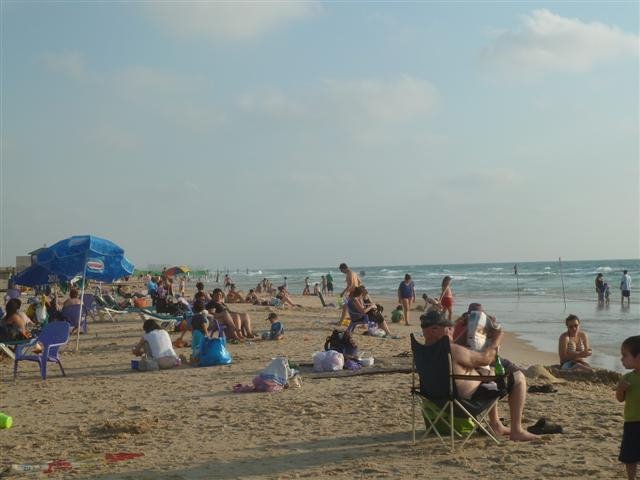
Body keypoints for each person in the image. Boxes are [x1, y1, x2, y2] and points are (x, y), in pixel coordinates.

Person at [420, 310, 538, 441]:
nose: (452, 331)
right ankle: (517, 430)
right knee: (518, 377)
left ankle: (496, 425)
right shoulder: (452, 350)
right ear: (435, 329)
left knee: (488, 375)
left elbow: (457, 349)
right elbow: (486, 358)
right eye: (449, 328)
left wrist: (468, 330)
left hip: (437, 401)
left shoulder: (423, 352)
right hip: (465, 403)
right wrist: (497, 339)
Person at [617, 335, 640, 480]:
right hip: (631, 422)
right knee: (630, 455)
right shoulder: (627, 378)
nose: (621, 359)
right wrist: (621, 389)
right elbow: (620, 399)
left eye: (625, 355)